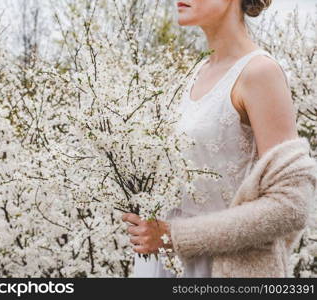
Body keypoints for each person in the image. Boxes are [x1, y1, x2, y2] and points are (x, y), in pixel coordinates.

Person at [122, 0, 299, 277]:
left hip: (221, 270)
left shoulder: (260, 73)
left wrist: (175, 236)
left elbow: (290, 206)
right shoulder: (192, 74)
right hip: (162, 267)